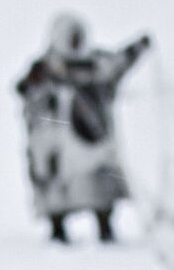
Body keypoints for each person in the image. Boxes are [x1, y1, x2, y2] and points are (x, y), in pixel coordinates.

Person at [17, 13, 153, 244]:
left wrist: (137, 49)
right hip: (58, 146)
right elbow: (25, 91)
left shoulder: (96, 66)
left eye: (78, 38)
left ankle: (104, 226)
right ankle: (58, 228)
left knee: (99, 185)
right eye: (71, 38)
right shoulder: (47, 68)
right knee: (57, 188)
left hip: (93, 141)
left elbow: (119, 63)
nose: (75, 43)